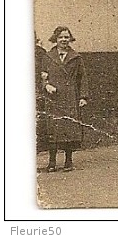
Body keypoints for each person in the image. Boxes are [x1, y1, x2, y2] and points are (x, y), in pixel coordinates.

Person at [43, 26, 88, 172]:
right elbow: (42, 76)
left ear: (70, 39)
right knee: (53, 130)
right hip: (54, 98)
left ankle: (68, 161)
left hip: (70, 98)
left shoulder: (76, 58)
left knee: (69, 129)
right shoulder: (48, 57)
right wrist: (46, 85)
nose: (64, 40)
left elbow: (83, 78)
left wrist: (83, 97)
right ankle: (52, 162)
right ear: (55, 39)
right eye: (61, 37)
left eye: (66, 37)